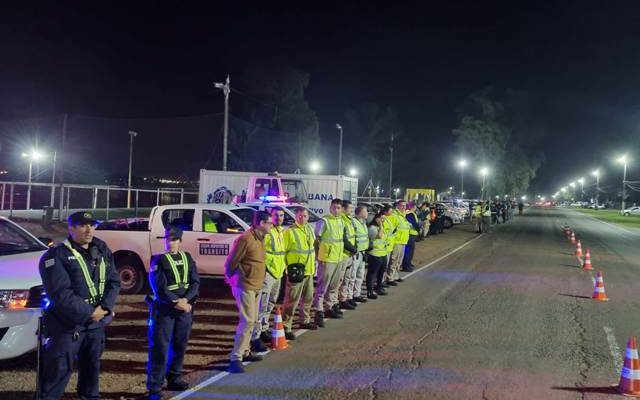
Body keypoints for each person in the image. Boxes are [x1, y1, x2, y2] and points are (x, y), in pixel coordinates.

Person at [37, 211, 120, 400]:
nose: (89, 229)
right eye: (83, 225)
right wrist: (92, 313)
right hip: (67, 327)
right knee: (56, 375)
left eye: (92, 225)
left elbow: (113, 281)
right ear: (71, 228)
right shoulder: (56, 255)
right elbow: (61, 294)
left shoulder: (101, 248)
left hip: (95, 325)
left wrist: (105, 308)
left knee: (91, 372)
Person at [147, 226, 200, 400]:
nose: (171, 243)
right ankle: (155, 387)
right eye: (168, 240)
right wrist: (177, 302)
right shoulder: (157, 260)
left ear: (180, 241)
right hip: (165, 310)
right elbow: (158, 286)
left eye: (174, 240)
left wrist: (187, 301)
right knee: (160, 348)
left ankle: (175, 377)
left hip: (184, 309)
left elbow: (195, 282)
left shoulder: (187, 258)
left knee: (180, 345)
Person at [225, 210, 272, 374]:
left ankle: (245, 351)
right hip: (244, 285)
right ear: (261, 223)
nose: (272, 225)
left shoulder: (260, 238)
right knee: (247, 321)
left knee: (252, 320)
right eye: (270, 222)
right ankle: (235, 358)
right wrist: (233, 278)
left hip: (256, 285)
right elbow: (231, 262)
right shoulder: (245, 239)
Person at [251, 207, 286, 351]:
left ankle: (264, 329)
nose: (279, 218)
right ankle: (256, 336)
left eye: (281, 215)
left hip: (278, 272)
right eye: (276, 215)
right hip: (268, 272)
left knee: (270, 303)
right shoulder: (266, 233)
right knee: (262, 305)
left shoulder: (281, 231)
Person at [282, 207, 317, 336]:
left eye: (305, 216)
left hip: (309, 270)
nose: (302, 218)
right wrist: (287, 268)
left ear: (308, 217)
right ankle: (286, 326)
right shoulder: (290, 232)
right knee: (292, 300)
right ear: (295, 217)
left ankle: (305, 320)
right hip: (296, 271)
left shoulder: (309, 229)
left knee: (308, 298)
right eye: (300, 216)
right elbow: (283, 252)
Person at [312, 199, 345, 327]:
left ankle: (329, 307)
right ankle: (318, 312)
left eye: (338, 208)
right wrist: (318, 256)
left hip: (338, 258)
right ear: (330, 208)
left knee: (334, 286)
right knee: (322, 287)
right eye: (334, 207)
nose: (336, 210)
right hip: (326, 259)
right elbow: (317, 240)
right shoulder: (324, 221)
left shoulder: (341, 221)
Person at [338, 200, 359, 311]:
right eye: (350, 208)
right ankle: (337, 301)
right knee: (340, 280)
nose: (352, 210)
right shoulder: (342, 221)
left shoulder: (349, 220)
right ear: (344, 208)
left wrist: (354, 249)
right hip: (343, 255)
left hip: (350, 254)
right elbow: (344, 239)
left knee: (347, 278)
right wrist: (353, 249)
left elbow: (353, 236)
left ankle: (343, 299)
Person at [350, 205, 370, 303]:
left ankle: (356, 294)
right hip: (356, 254)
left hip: (362, 253)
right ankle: (349, 296)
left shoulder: (363, 223)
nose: (367, 213)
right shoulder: (354, 223)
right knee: (352, 276)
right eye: (366, 211)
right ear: (361, 213)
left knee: (360, 275)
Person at [367, 211, 388, 298]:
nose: (383, 220)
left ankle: (378, 287)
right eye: (381, 218)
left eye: (384, 219)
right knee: (372, 273)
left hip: (383, 253)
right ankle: (370, 291)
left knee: (381, 272)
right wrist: (380, 226)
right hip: (374, 254)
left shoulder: (381, 227)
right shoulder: (372, 228)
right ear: (376, 219)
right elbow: (379, 236)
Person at [381, 204, 397, 287]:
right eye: (390, 211)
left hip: (389, 245)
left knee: (386, 265)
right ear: (385, 211)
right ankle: (380, 281)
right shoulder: (383, 219)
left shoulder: (388, 219)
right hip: (385, 246)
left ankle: (383, 280)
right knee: (383, 266)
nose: (392, 212)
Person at [403, 202, 420, 272]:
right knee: (408, 251)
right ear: (412, 207)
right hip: (410, 234)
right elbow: (414, 224)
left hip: (412, 234)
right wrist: (418, 229)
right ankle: (406, 266)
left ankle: (408, 263)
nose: (416, 207)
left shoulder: (410, 213)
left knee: (410, 251)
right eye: (415, 206)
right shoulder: (409, 214)